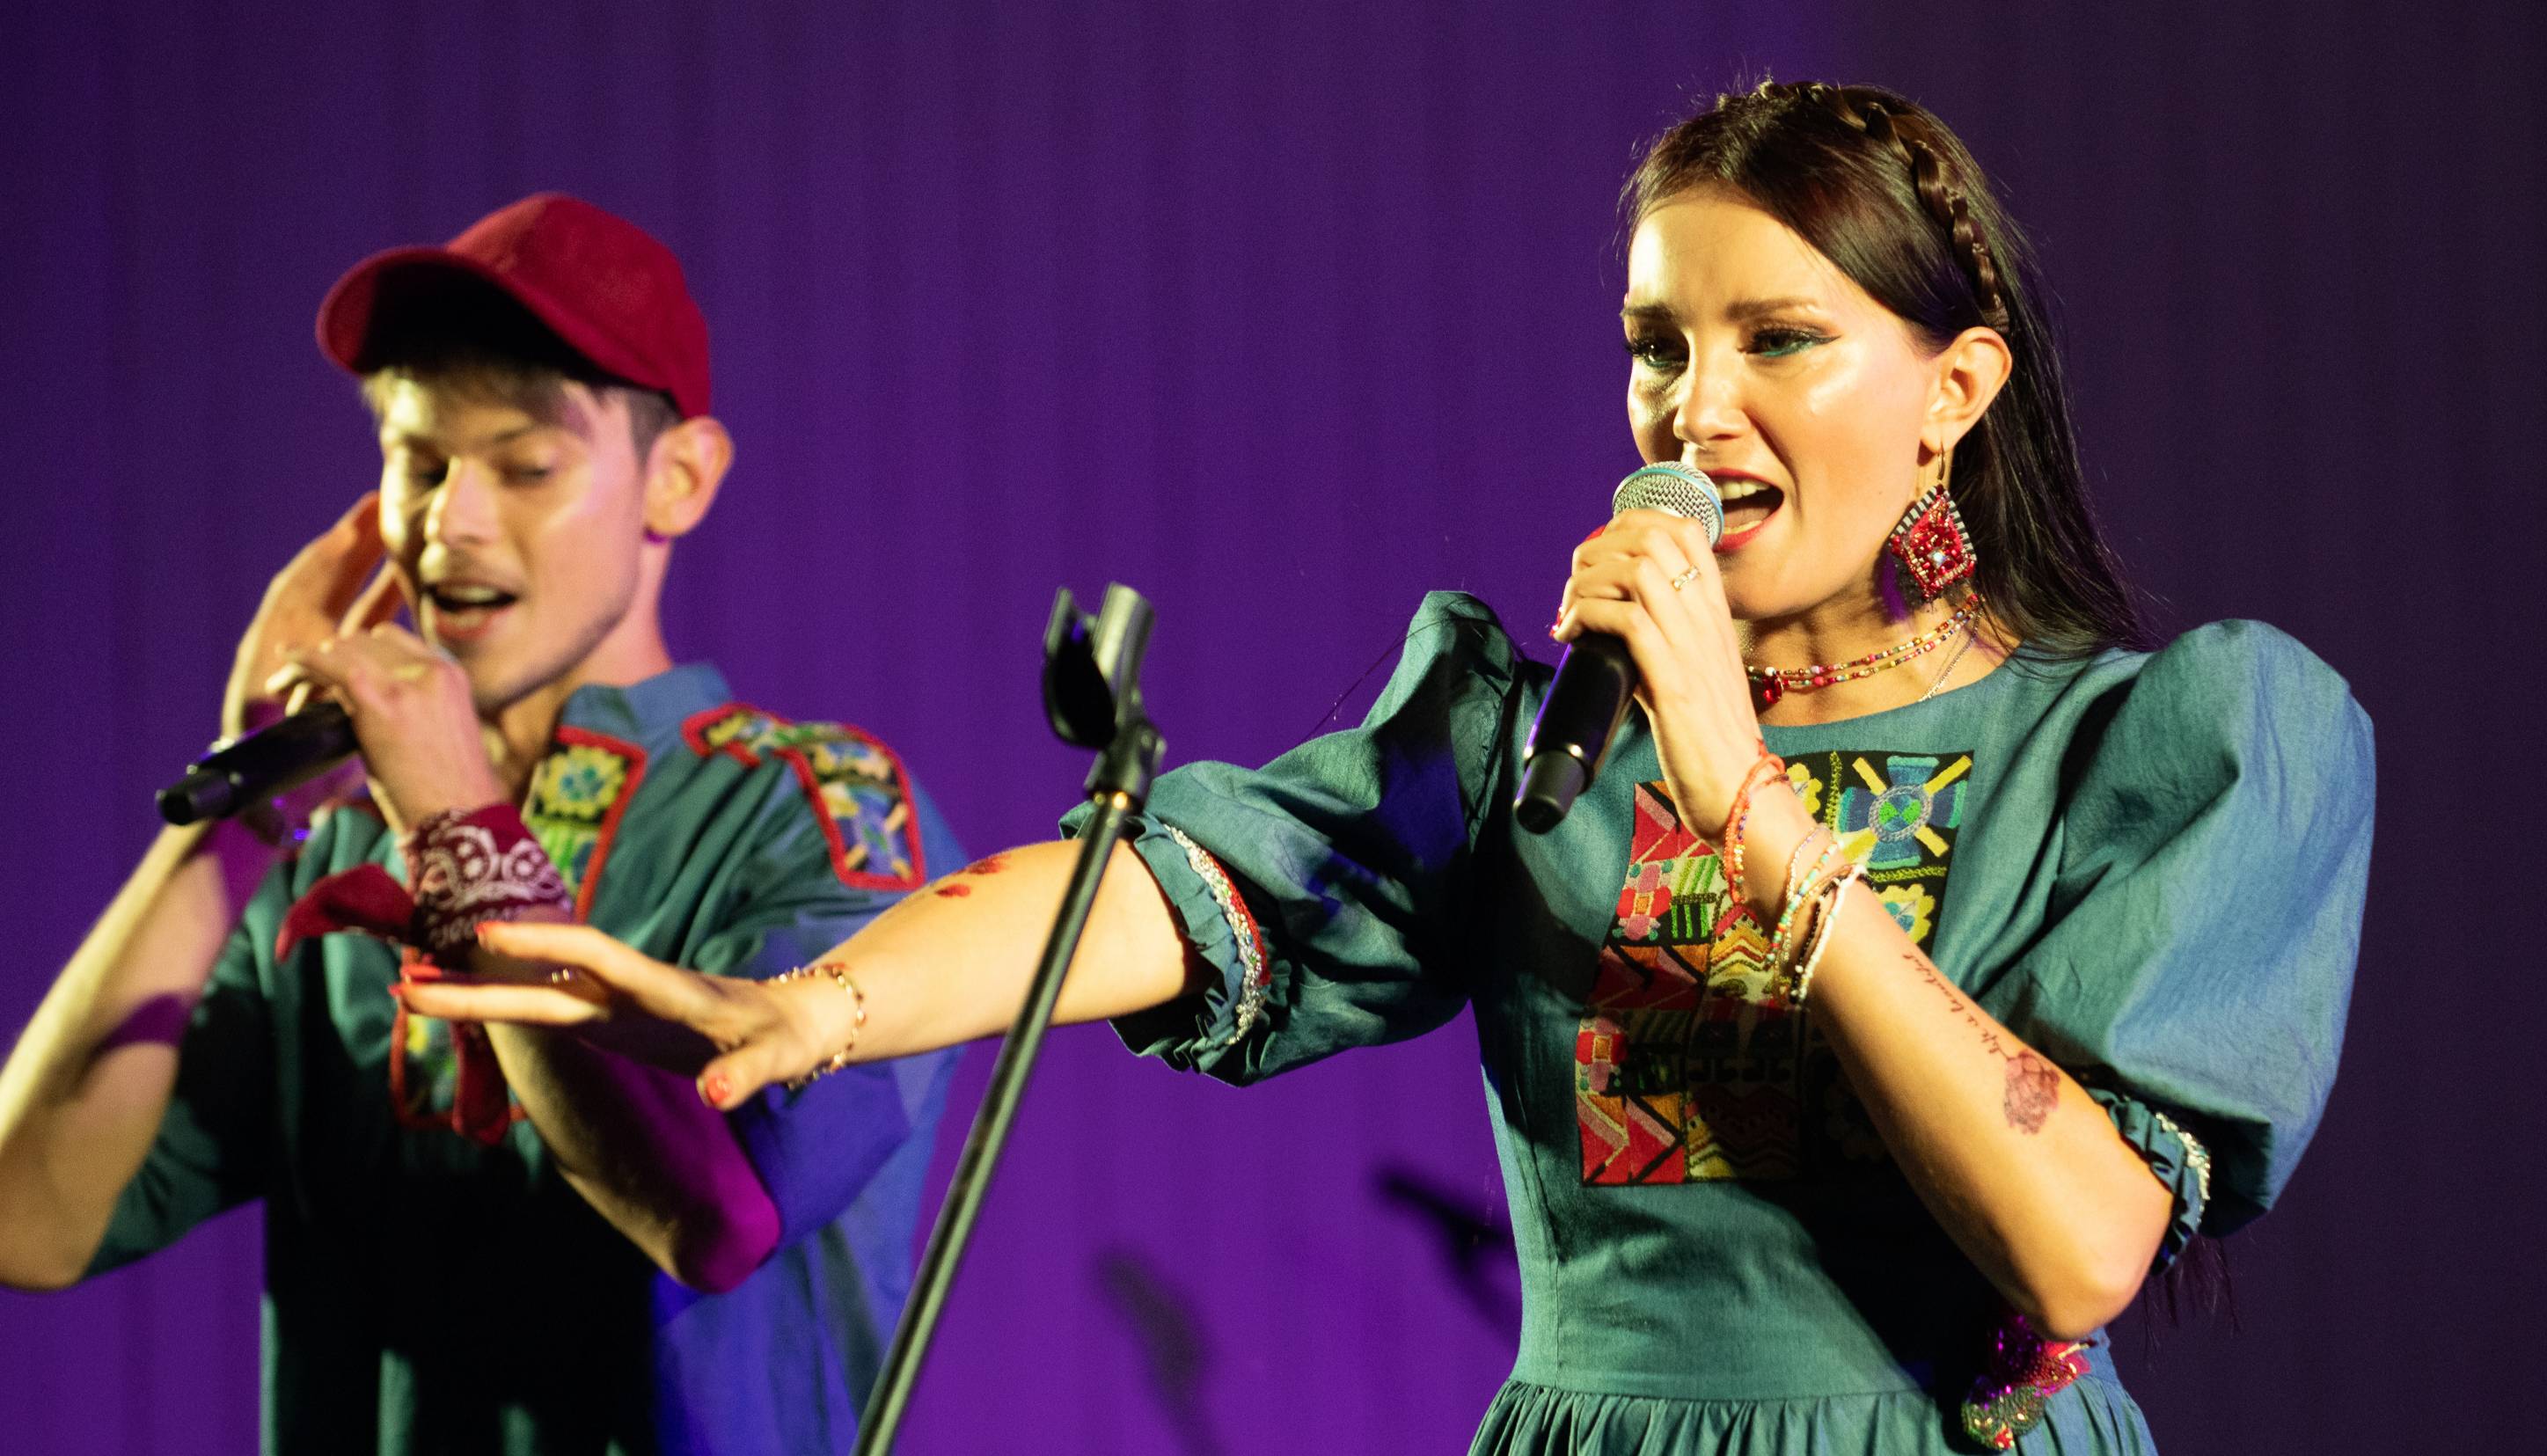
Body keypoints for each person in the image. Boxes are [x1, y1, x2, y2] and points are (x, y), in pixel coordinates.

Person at [406, 84, 2373, 1454]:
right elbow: (1173, 883)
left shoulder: (2160, 745)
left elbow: (2085, 1243)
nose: (1698, 413)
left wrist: (1745, 804)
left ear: (1955, 388)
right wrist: (809, 1001)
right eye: (1654, 347)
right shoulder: (1530, 745)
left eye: (1781, 341)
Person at [0, 194, 962, 1455]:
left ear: (676, 480)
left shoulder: (808, 809)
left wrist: (461, 829)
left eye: (525, 466)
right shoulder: (337, 836)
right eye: (418, 459)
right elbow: (27, 1221)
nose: (447, 522)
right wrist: (242, 821)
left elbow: (715, 1220)